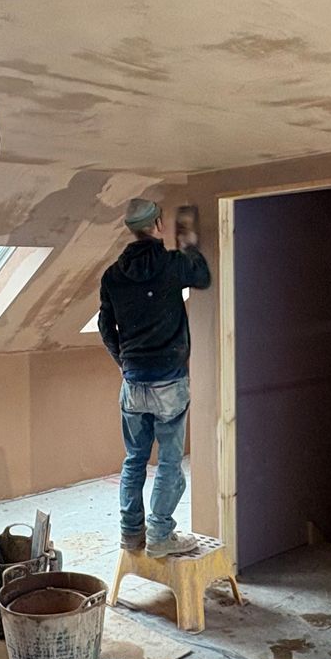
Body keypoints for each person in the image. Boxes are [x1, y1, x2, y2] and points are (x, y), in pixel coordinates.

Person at [97, 198, 211, 557]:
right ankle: (160, 535)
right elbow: (202, 276)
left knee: (134, 460)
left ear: (131, 230)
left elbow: (105, 325)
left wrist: (123, 361)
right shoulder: (172, 264)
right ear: (158, 224)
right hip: (168, 380)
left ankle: (131, 533)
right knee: (169, 462)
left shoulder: (113, 275)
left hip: (133, 382)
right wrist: (189, 244)